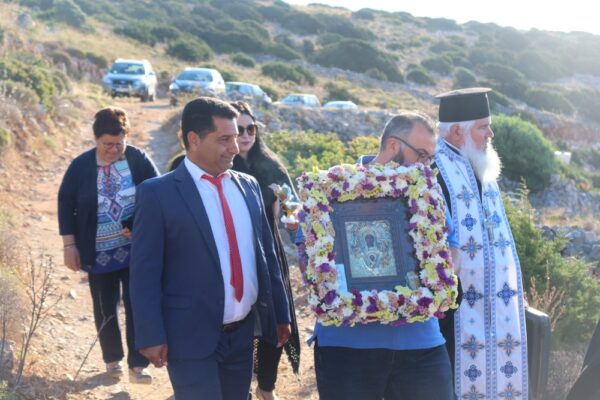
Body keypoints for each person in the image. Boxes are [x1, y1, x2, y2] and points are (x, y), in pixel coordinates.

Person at [129, 97, 291, 400]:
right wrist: (149, 334)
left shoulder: (249, 186)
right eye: (224, 139)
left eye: (236, 137)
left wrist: (280, 314)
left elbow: (267, 255)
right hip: (188, 337)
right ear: (194, 139)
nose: (235, 147)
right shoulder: (157, 194)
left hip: (242, 335)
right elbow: (144, 272)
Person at [297, 112, 458, 400]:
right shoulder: (332, 189)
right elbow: (309, 255)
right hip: (347, 346)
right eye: (421, 155)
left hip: (421, 343)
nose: (426, 165)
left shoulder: (426, 191)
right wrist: (333, 292)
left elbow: (451, 248)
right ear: (393, 146)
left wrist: (434, 287)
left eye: (431, 159)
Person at [433, 88, 528, 399]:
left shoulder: (481, 167)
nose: (491, 134)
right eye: (483, 126)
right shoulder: (434, 172)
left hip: (493, 306)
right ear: (457, 131)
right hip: (452, 311)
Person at [57, 106, 159, 383]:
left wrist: (137, 222)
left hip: (136, 250)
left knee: (138, 305)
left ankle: (138, 364)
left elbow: (157, 193)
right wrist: (69, 246)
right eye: (107, 144)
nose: (114, 150)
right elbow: (65, 203)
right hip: (98, 252)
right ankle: (112, 360)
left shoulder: (137, 159)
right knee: (105, 306)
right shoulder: (81, 166)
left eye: (119, 144)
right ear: (96, 139)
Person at [229, 101, 300, 400]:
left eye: (251, 128)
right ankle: (240, 385)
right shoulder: (220, 166)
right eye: (239, 129)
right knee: (239, 323)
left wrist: (289, 216)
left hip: (269, 252)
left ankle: (266, 387)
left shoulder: (271, 165)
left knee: (275, 322)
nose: (246, 135)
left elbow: (291, 209)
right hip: (233, 254)